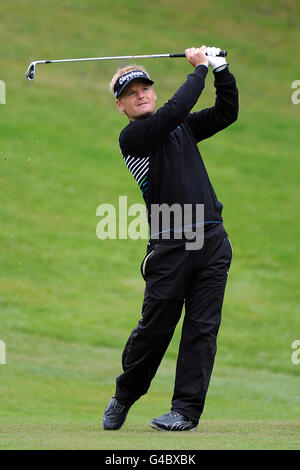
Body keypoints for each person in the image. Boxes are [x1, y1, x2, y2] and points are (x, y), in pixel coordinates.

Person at [102, 46, 239, 431]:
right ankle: (124, 395)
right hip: (170, 246)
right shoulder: (134, 137)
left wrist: (221, 70)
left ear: (153, 92)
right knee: (155, 329)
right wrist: (199, 70)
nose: (141, 94)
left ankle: (185, 412)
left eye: (145, 88)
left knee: (202, 329)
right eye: (131, 93)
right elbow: (175, 110)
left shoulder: (181, 128)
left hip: (211, 241)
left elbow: (227, 113)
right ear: (121, 106)